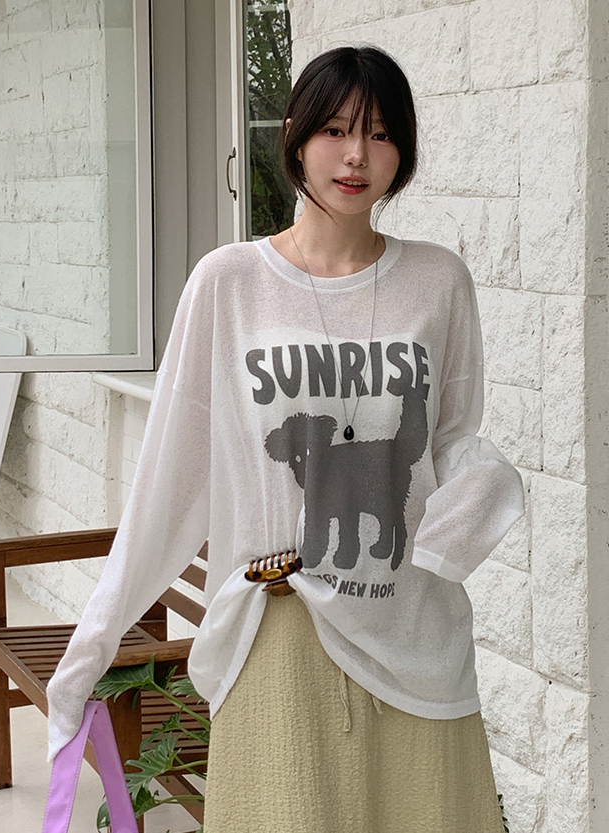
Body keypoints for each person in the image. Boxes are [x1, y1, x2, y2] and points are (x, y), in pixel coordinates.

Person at [47, 45, 525, 832]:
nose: (356, 155)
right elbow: (170, 477)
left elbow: (451, 440)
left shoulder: (440, 281)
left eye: (380, 134)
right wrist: (88, 651)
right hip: (278, 627)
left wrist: (485, 486)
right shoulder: (229, 283)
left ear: (403, 150)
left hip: (415, 631)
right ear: (297, 137)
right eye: (335, 130)